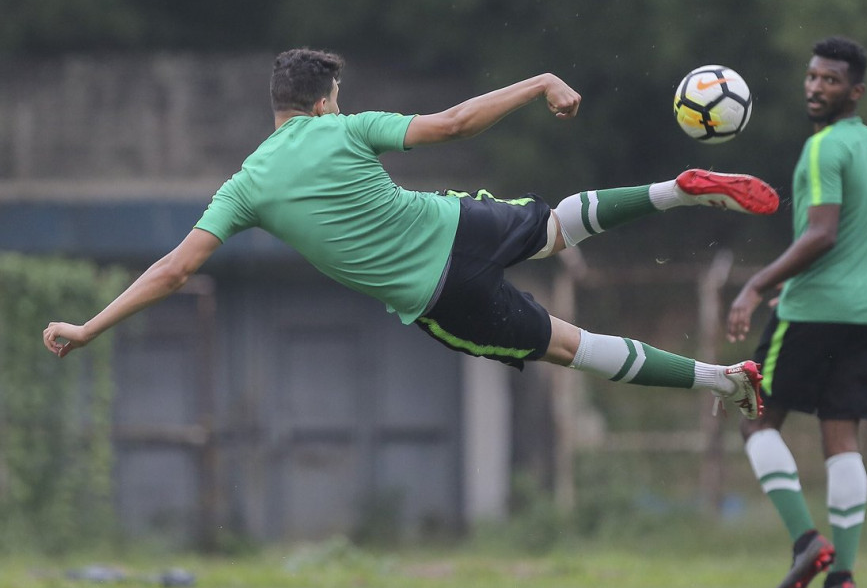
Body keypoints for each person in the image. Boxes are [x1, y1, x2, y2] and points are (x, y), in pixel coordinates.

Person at [44, 48, 776, 421]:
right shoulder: (350, 129)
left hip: (441, 296)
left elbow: (174, 269)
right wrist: (539, 82)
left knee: (568, 344)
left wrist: (90, 324)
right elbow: (453, 123)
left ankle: (723, 380)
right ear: (326, 100)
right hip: (457, 221)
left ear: (279, 106)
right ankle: (672, 192)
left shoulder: (246, 185)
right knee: (556, 226)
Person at [727, 36, 867, 588]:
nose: (816, 87)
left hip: (813, 310)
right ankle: (842, 579)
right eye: (812, 77)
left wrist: (756, 285)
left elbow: (821, 233)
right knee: (842, 441)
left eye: (830, 80)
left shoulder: (823, 149)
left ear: (855, 90)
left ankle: (805, 540)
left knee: (754, 417)